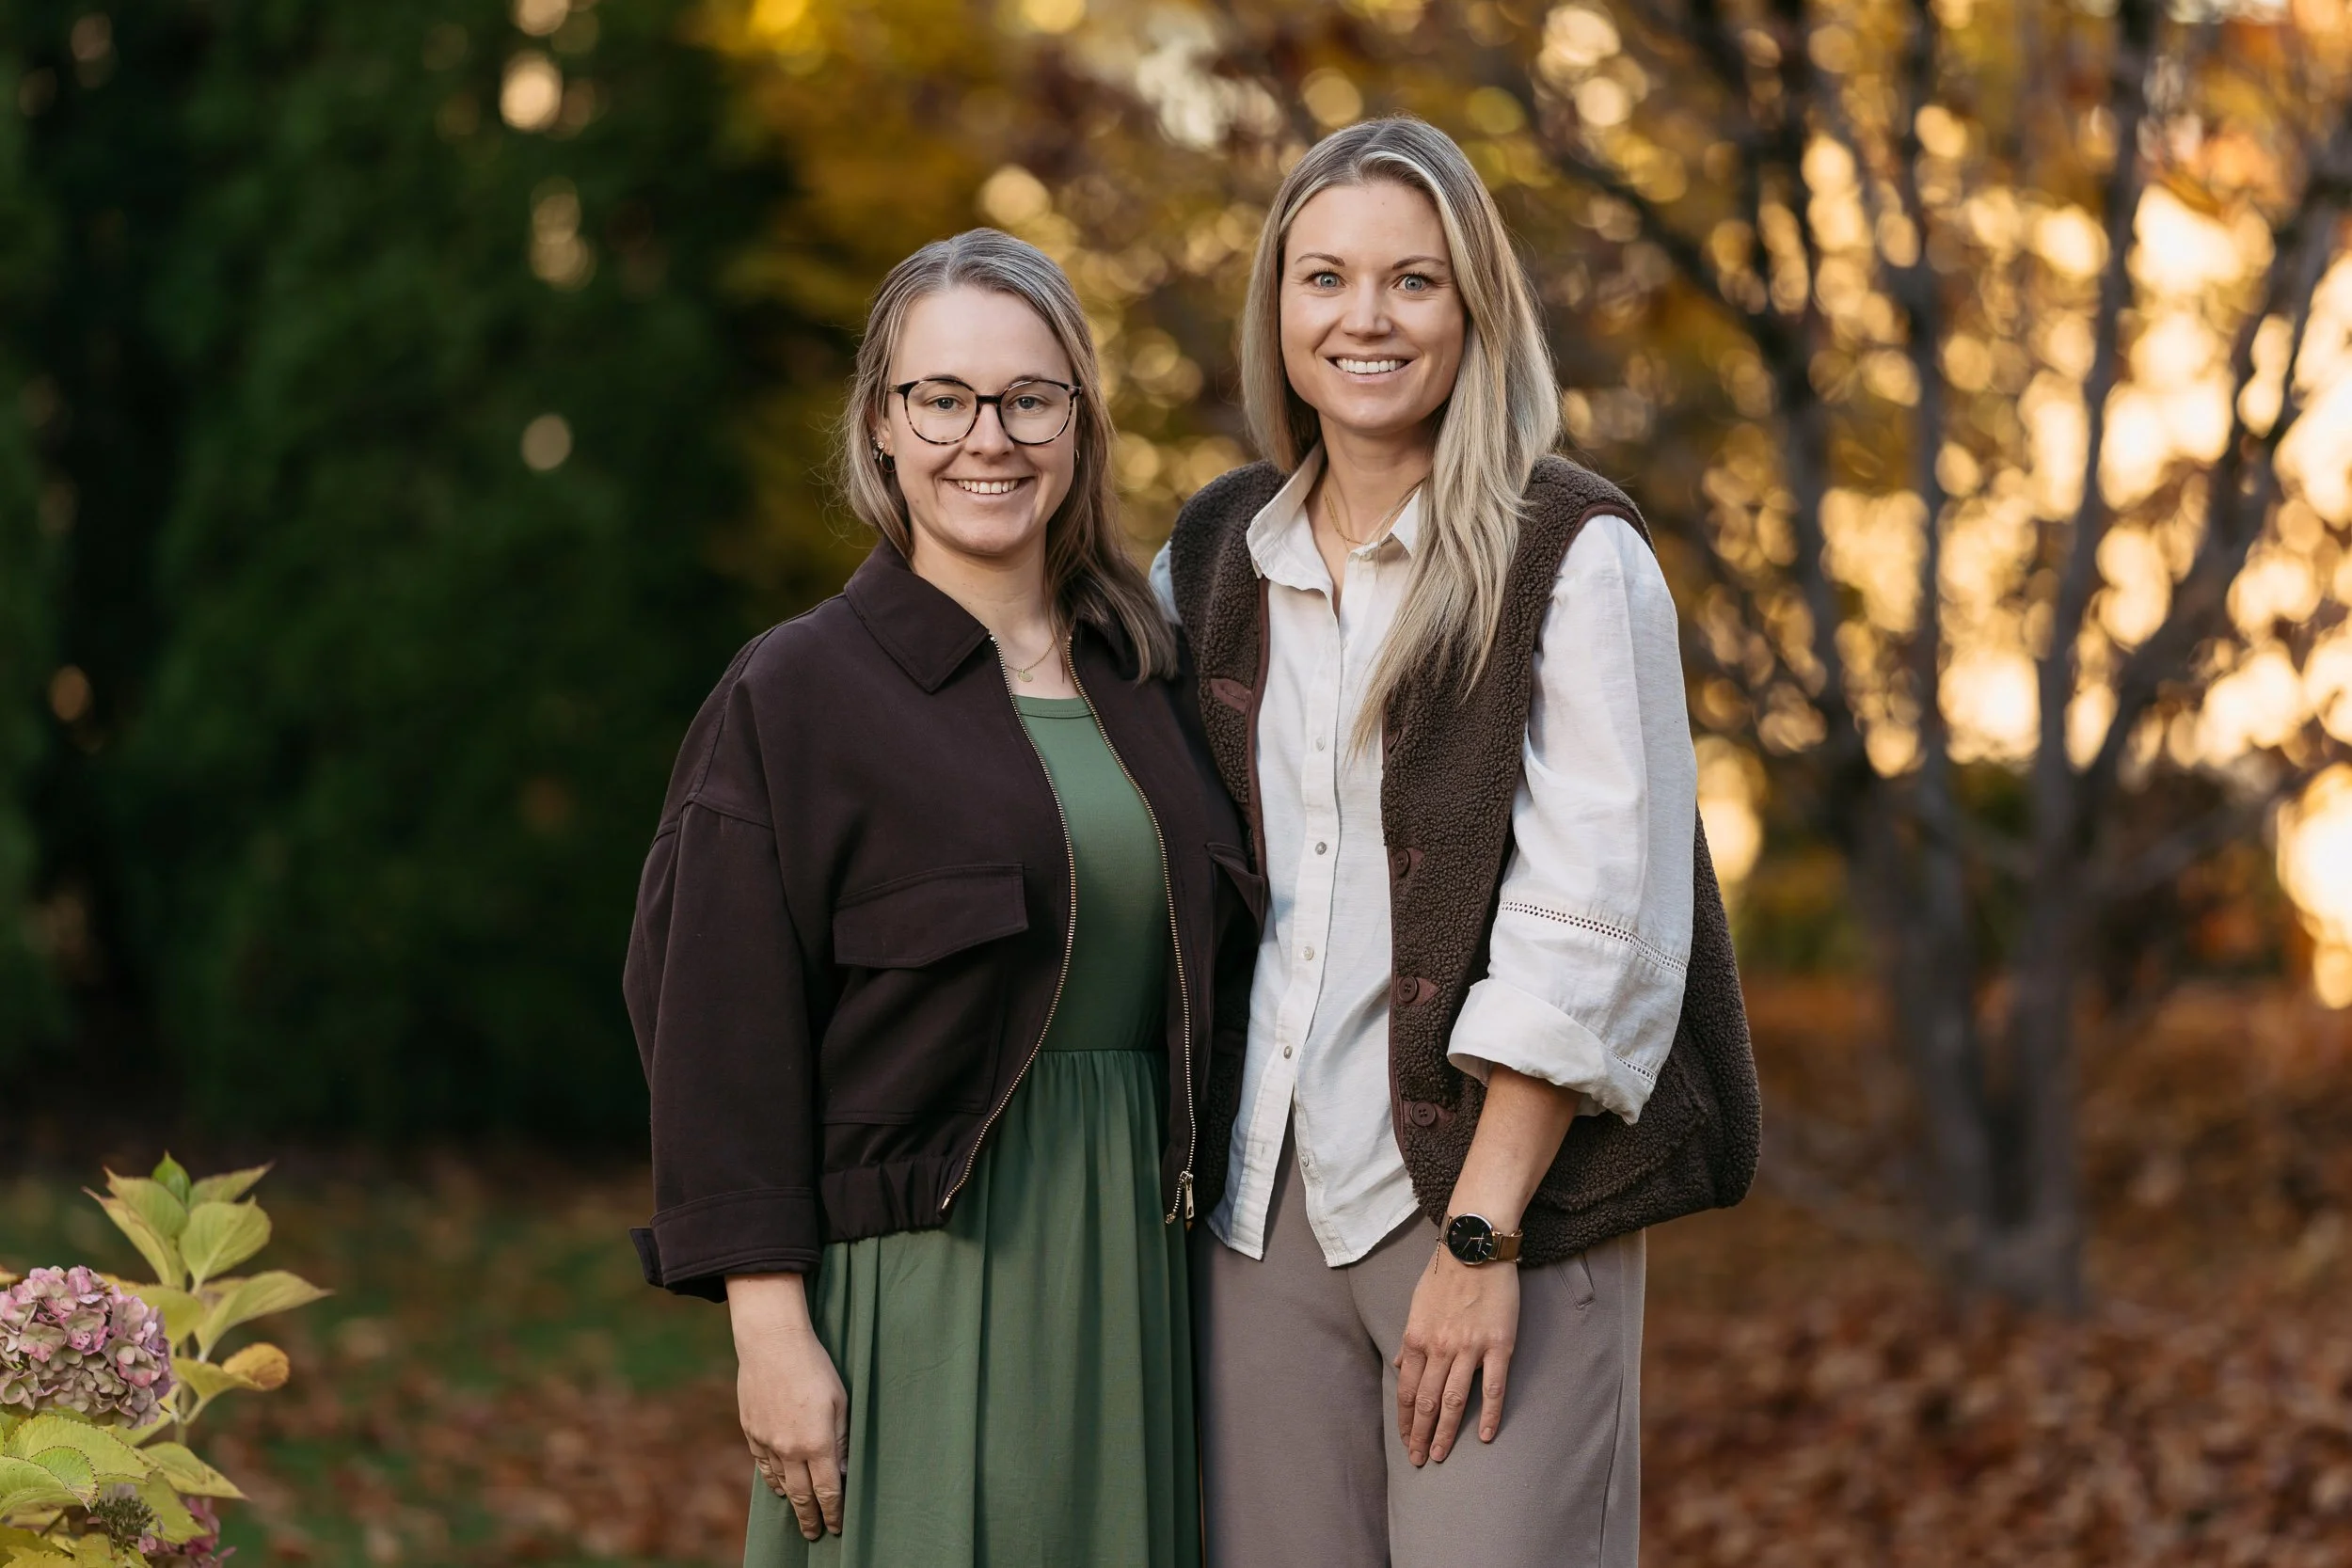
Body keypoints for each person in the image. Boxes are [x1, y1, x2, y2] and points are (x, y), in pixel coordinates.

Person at [1152, 117, 1761, 1568]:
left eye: (1412, 281)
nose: (1365, 319)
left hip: (1502, 1204)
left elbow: (1595, 917)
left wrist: (1482, 1241)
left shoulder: (1573, 552)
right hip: (1263, 1208)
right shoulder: (1214, 555)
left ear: (1474, 306)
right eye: (1325, 280)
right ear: (1278, 309)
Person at [625, 227, 1258, 1568]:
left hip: (1138, 1267)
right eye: (944, 398)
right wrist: (769, 1327)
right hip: (922, 1275)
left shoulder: (1152, 679)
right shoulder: (796, 693)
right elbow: (715, 1023)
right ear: (883, 425)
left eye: (1032, 398)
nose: (991, 437)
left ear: (1079, 424)